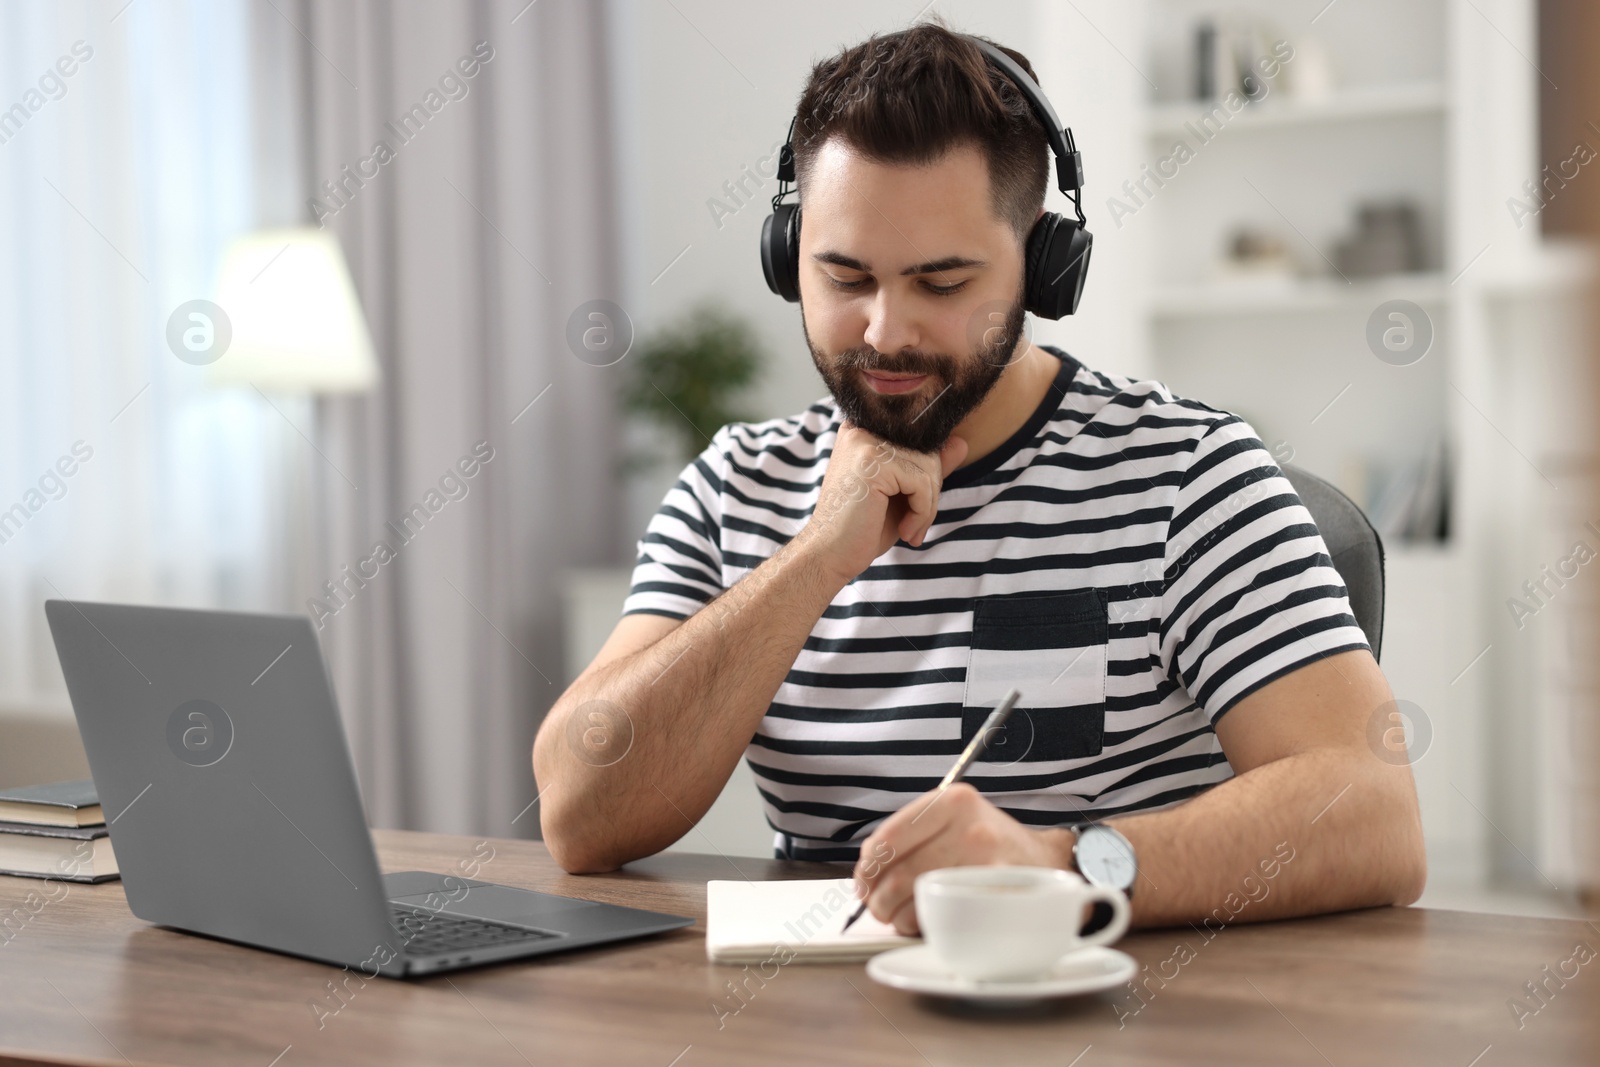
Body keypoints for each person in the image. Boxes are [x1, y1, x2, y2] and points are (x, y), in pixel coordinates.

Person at [533, 21, 1426, 933]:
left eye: (943, 284)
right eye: (845, 277)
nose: (885, 331)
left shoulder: (1190, 477)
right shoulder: (733, 488)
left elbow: (1373, 813)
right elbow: (578, 815)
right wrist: (812, 559)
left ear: (1045, 266)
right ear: (786, 253)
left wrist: (1055, 864)